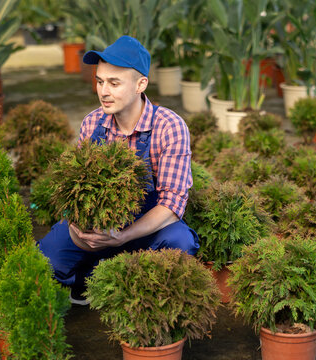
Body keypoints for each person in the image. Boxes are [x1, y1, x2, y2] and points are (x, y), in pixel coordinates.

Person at [38, 35, 199, 305]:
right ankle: (93, 276)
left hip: (148, 228)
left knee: (180, 243)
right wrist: (77, 227)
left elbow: (172, 203)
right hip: (99, 229)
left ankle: (139, 291)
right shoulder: (93, 123)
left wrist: (123, 237)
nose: (103, 91)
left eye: (114, 83)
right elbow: (75, 189)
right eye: (100, 81)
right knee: (47, 259)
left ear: (140, 85)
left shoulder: (169, 126)